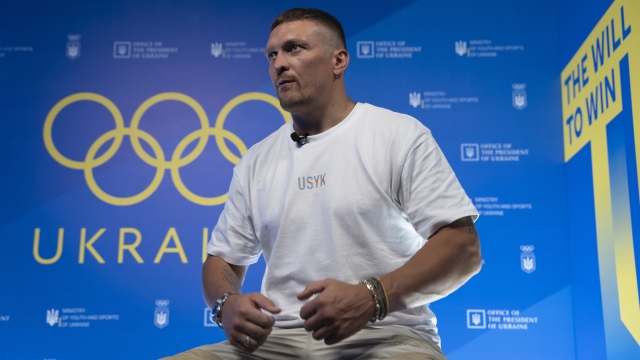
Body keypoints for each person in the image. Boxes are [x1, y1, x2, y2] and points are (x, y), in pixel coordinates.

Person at [166, 8, 481, 360]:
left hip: (385, 335)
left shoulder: (399, 135)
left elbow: (463, 249)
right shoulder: (256, 160)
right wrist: (226, 305)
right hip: (275, 343)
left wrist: (372, 297)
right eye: (272, 55)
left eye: (295, 49)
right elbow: (223, 260)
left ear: (338, 61)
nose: (279, 64)